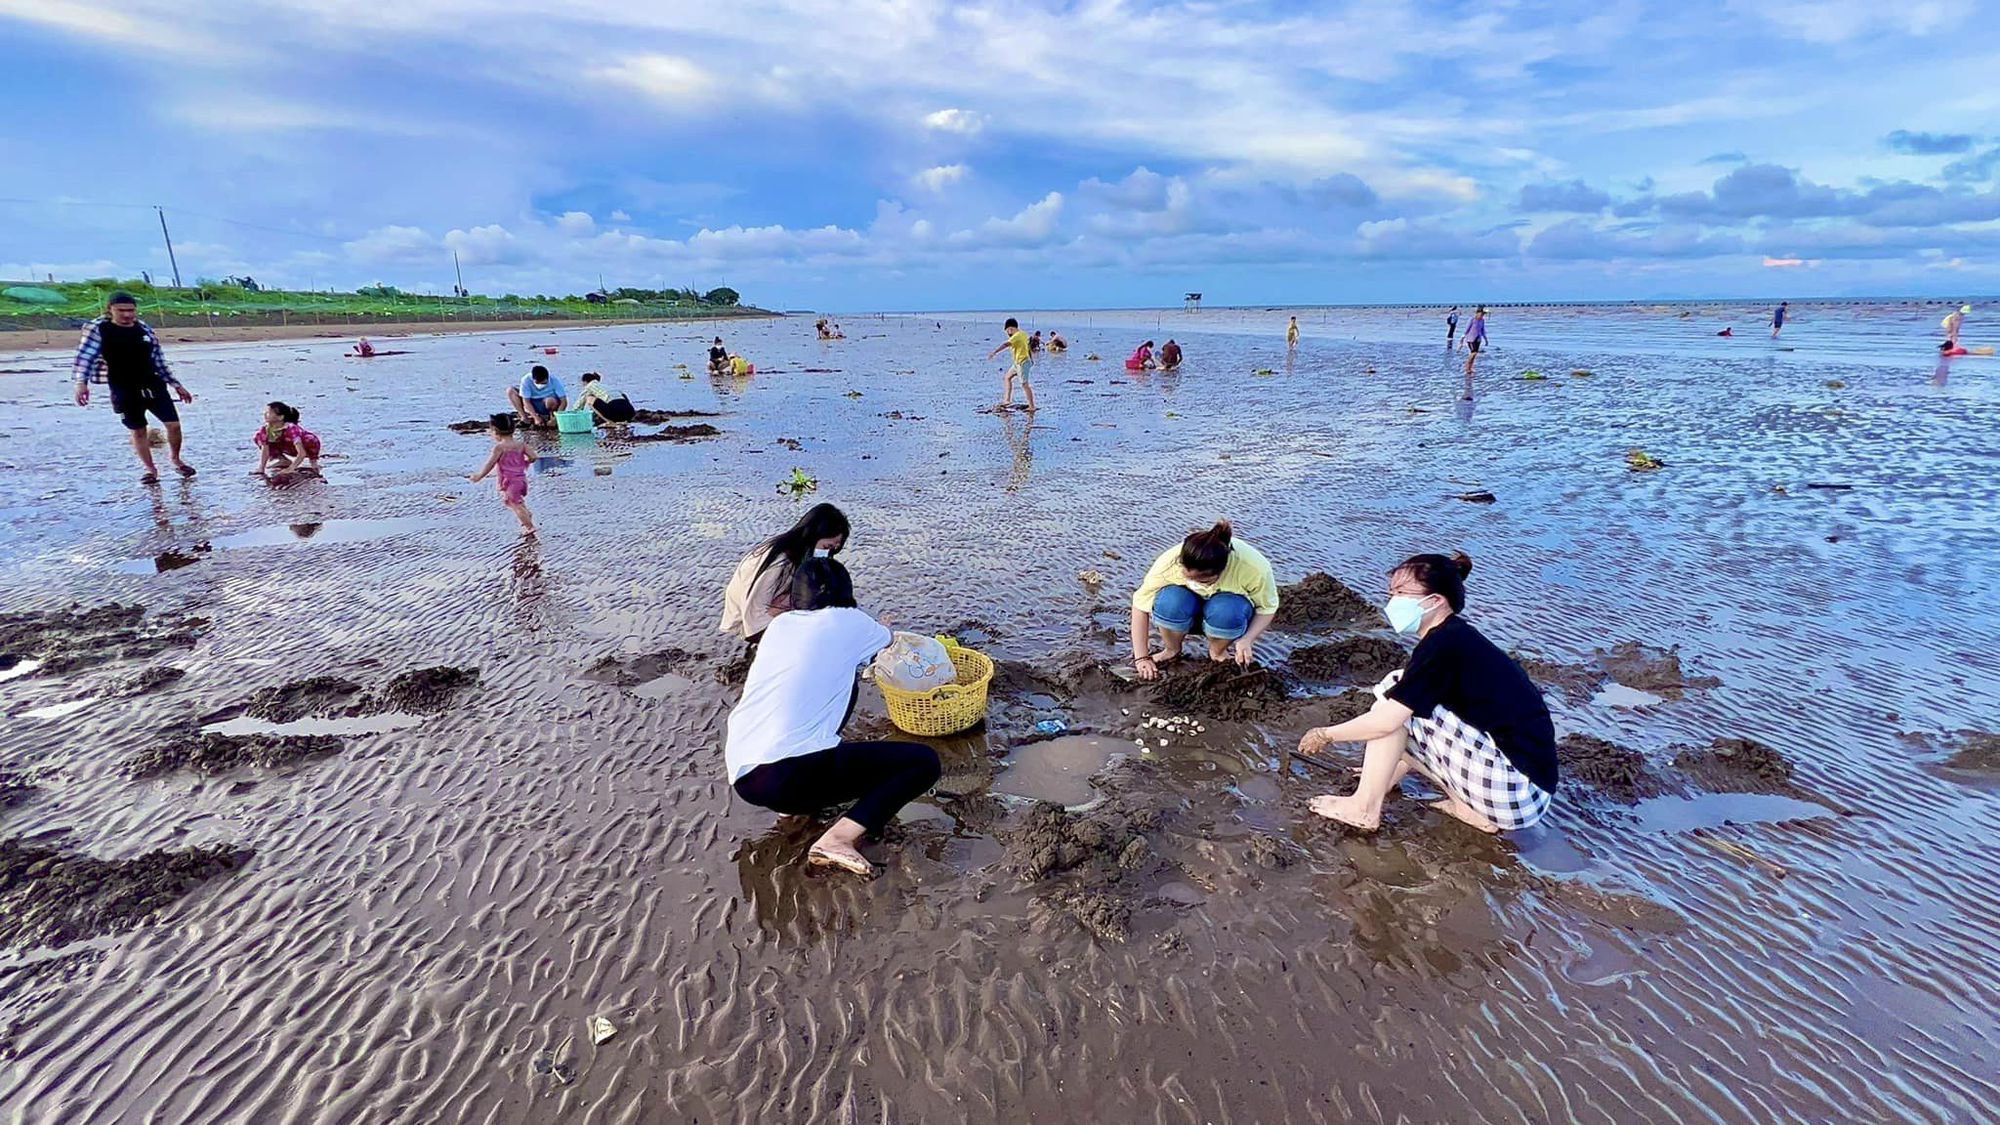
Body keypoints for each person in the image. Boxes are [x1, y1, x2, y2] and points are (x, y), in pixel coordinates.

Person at [1297, 552, 1556, 834]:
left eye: (1401, 593)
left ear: (1435, 601)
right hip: (1527, 797)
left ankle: (1363, 808)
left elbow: (1386, 722)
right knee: (1404, 692)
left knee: (1390, 702)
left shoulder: (1442, 647)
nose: (1392, 601)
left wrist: (1325, 734)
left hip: (1513, 793)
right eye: (1391, 592)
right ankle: (1464, 807)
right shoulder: (1457, 637)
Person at [725, 558, 941, 876]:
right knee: (923, 762)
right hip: (788, 775)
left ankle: (792, 811)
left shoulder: (779, 627)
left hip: (745, 776)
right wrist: (881, 625)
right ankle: (837, 839)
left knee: (821, 700)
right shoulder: (850, 620)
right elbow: (891, 642)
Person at [71, 291, 197, 483]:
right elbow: (85, 357)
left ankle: (176, 459)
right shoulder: (99, 329)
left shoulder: (143, 329)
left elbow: (158, 361)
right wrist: (81, 383)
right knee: (138, 430)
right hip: (123, 387)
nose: (127, 315)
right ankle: (150, 470)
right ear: (110, 309)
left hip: (153, 383)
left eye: (131, 310)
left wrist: (177, 385)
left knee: (174, 425)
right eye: (121, 310)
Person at [1130, 521, 1279, 681]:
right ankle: (1172, 650)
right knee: (1171, 600)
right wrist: (1141, 658)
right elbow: (1139, 606)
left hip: (1225, 616)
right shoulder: (1169, 563)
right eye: (1187, 577)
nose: (1194, 583)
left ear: (1222, 570)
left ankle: (1217, 652)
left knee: (1227, 609)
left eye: (1203, 581)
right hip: (1183, 611)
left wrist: (1247, 640)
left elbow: (1267, 608)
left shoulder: (1253, 567)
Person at [720, 502, 851, 643]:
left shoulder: (796, 552)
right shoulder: (780, 562)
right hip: (753, 621)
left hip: (763, 613)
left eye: (833, 549)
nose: (828, 553)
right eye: (827, 547)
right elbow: (753, 615)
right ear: (812, 536)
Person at [468, 413, 536, 535]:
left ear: (495, 431)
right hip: (521, 480)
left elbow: (490, 464)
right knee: (518, 502)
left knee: (514, 504)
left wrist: (479, 476)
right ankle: (527, 515)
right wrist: (526, 461)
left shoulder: (500, 448)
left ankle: (529, 527)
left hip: (509, 481)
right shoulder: (521, 445)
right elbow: (534, 456)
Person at [253, 401, 321, 475]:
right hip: (287, 445)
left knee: (309, 440)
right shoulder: (265, 429)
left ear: (280, 417)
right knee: (259, 437)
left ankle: (313, 462)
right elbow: (265, 450)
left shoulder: (291, 428)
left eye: (268, 413)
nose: (265, 414)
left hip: (305, 446)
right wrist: (261, 468)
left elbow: (302, 453)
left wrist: (291, 468)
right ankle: (281, 459)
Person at [985, 316, 1037, 411]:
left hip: (1022, 363)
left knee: (1024, 384)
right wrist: (1031, 359)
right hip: (1018, 363)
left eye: (1007, 331)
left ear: (1010, 328)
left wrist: (994, 352)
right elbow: (1028, 347)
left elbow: (1006, 344)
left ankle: (1032, 406)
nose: (1008, 333)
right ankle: (1007, 400)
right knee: (1007, 377)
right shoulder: (1024, 334)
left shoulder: (1016, 336)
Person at [1460, 306, 1487, 399]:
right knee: (1473, 353)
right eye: (1481, 314)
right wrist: (1462, 338)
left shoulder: (1482, 321)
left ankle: (1470, 368)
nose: (1482, 316)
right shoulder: (1472, 319)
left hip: (1478, 339)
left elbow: (1482, 330)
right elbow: (1467, 329)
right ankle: (1467, 366)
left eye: (1483, 314)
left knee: (1475, 354)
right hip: (1470, 339)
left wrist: (1485, 338)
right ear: (1477, 313)